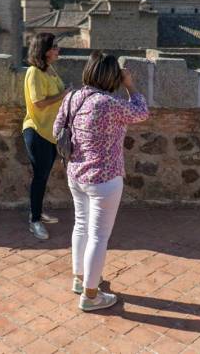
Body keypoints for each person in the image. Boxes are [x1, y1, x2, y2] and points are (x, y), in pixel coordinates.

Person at [53, 51, 149, 312]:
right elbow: (142, 112)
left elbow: (56, 130)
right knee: (98, 236)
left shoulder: (72, 97)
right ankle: (91, 295)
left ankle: (79, 278)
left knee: (81, 226)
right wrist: (130, 86)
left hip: (76, 174)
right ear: (111, 76)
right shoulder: (108, 103)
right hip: (105, 179)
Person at [23, 33, 68, 240]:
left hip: (50, 132)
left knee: (44, 176)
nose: (58, 50)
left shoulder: (50, 70)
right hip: (37, 129)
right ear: (45, 50)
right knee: (39, 176)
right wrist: (64, 95)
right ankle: (34, 222)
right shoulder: (34, 72)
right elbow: (39, 102)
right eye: (55, 47)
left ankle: (38, 213)